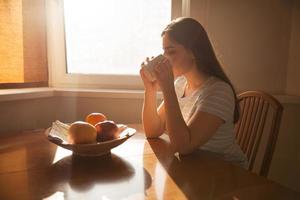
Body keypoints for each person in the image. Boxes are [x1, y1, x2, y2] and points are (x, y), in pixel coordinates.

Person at [140, 17, 247, 167]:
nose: (165, 59)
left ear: (193, 52)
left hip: (225, 174)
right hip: (193, 168)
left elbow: (184, 146)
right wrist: (150, 89)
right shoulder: (180, 84)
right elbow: (152, 130)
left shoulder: (219, 91)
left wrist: (167, 88)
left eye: (171, 52)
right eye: (164, 52)